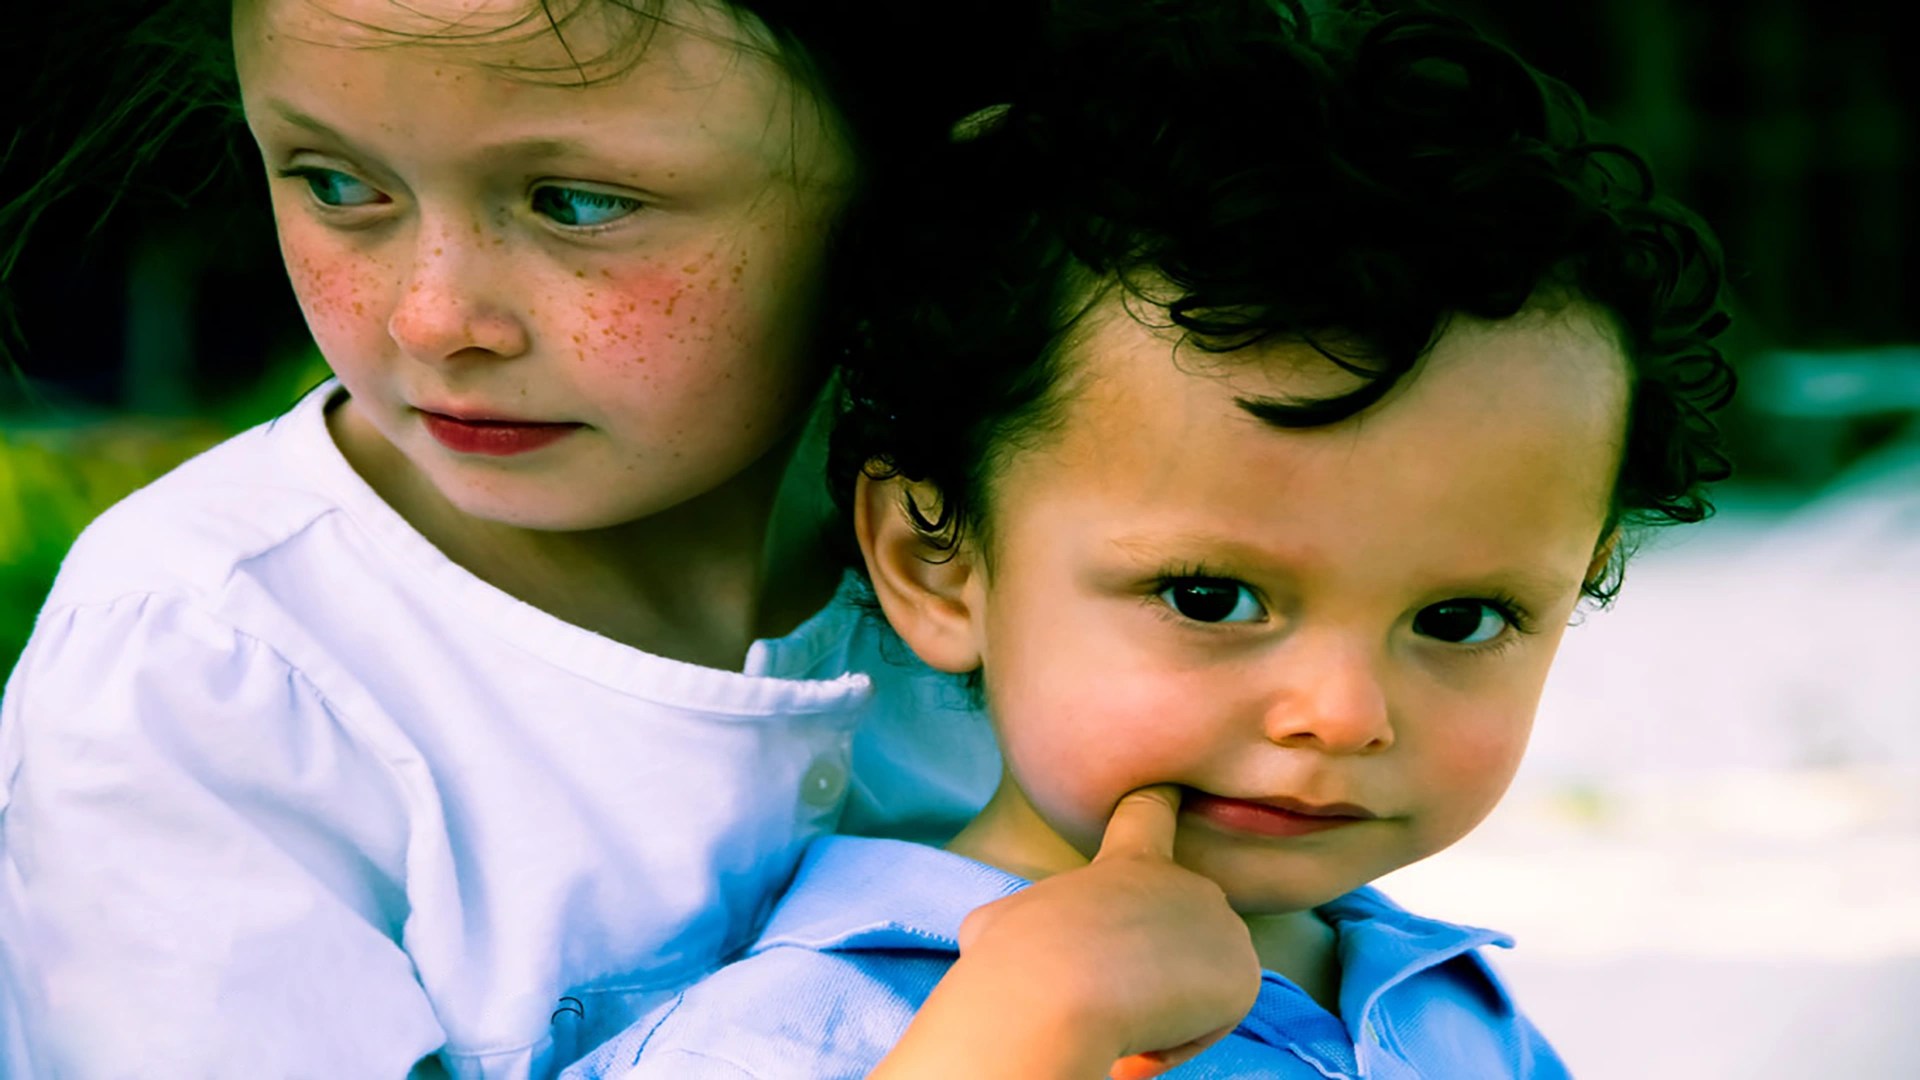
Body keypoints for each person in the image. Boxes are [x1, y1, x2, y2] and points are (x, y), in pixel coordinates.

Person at [563, 1, 1736, 1076]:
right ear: (940, 562)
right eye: (1212, 598)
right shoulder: (820, 1024)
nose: (1343, 714)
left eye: (1460, 619)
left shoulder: (1452, 1014)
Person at [0, 1, 1011, 1075]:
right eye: (337, 184)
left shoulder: (1066, 543)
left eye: (575, 204)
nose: (432, 320)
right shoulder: (208, 670)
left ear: (929, 195)